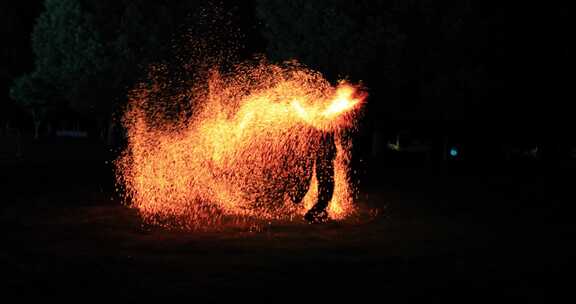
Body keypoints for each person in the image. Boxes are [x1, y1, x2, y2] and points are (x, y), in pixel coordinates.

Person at [289, 131, 336, 223]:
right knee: (324, 179)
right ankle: (300, 197)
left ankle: (317, 209)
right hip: (319, 144)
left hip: (321, 145)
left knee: (324, 178)